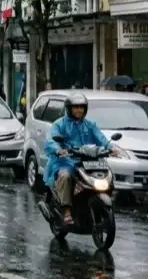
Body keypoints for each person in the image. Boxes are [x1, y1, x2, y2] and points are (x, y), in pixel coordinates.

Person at [43, 93, 116, 225]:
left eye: (81, 107)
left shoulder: (90, 125)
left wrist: (110, 147)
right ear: (69, 108)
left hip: (88, 161)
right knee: (65, 176)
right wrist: (59, 149)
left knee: (106, 173)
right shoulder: (59, 124)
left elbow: (101, 138)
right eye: (75, 107)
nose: (79, 110)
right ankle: (67, 210)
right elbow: (50, 141)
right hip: (65, 161)